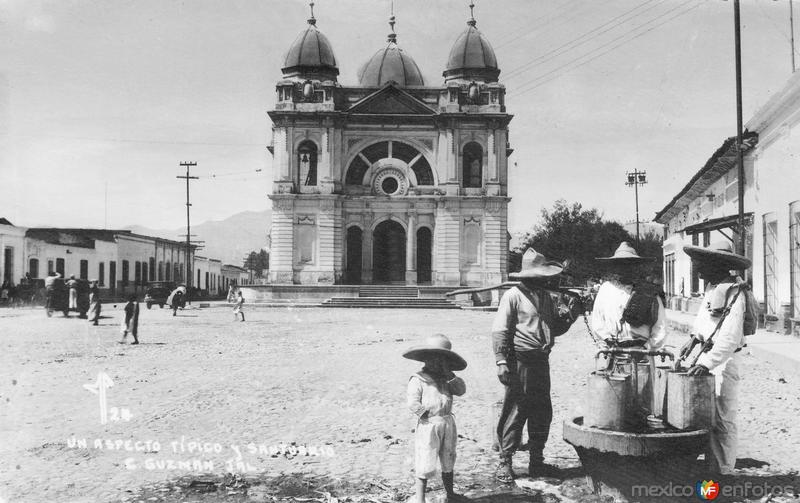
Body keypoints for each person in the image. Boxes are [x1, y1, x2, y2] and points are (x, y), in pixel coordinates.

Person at [492, 248, 582, 482]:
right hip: (519, 360)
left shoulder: (546, 297)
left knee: (542, 410)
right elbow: (500, 330)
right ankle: (505, 461)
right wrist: (501, 362)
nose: (544, 279)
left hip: (541, 361)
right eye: (540, 275)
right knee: (516, 410)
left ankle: (536, 461)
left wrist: (570, 317)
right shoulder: (513, 295)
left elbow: (554, 328)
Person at [680, 241, 751, 476]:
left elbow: (730, 338)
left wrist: (706, 363)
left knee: (723, 417)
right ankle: (710, 467)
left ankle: (724, 472)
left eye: (702, 264)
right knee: (704, 414)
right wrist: (693, 338)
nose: (698, 269)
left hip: (725, 360)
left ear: (717, 264)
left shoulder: (734, 292)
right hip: (708, 356)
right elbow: (705, 322)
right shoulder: (713, 288)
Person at [404, 334, 467, 503]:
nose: (437, 363)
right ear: (425, 359)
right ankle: (420, 498)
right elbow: (412, 402)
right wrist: (425, 414)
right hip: (428, 425)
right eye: (432, 358)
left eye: (442, 359)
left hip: (447, 422)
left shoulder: (448, 378)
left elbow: (461, 390)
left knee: (449, 457)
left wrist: (449, 375)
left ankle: (450, 493)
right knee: (425, 460)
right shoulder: (419, 379)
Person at [591, 242, 666, 351]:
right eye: (620, 264)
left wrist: (649, 346)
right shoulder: (606, 289)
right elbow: (597, 320)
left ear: (637, 266)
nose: (626, 268)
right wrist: (606, 340)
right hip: (614, 349)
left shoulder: (648, 291)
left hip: (642, 352)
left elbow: (660, 325)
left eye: (630, 264)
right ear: (614, 266)